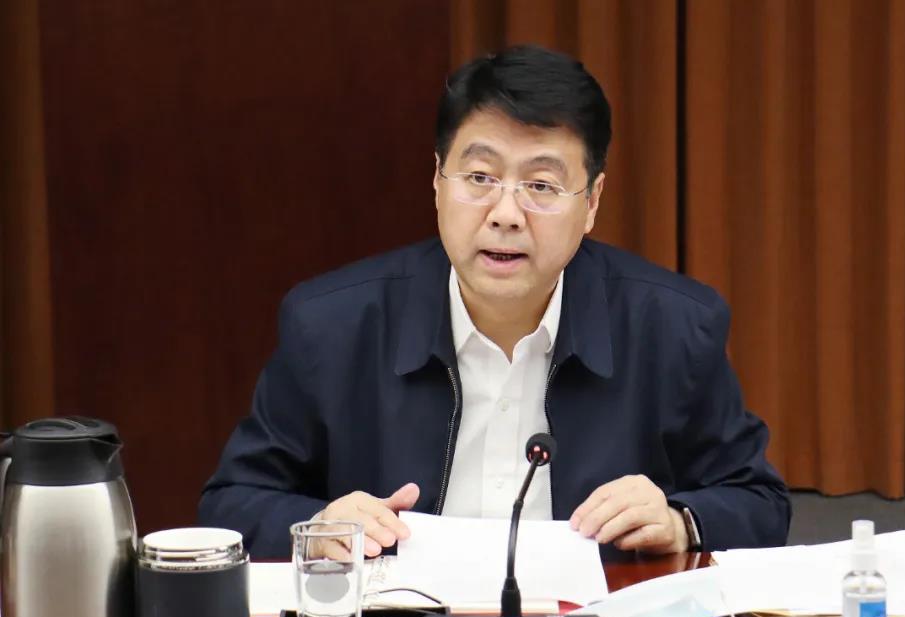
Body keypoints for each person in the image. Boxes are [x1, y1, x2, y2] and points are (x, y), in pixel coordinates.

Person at [198, 45, 790, 560]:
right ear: (437, 181)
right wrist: (318, 526)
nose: (505, 214)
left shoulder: (675, 328)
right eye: (479, 177)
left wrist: (680, 522)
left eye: (541, 186)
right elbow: (232, 505)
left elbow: (759, 502)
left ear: (591, 202)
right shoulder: (331, 326)